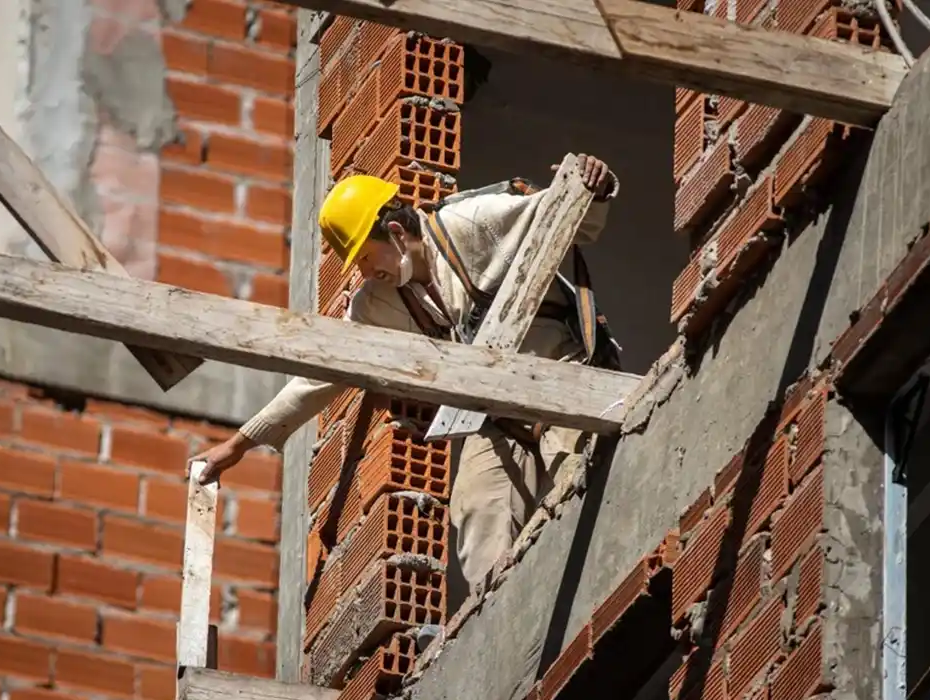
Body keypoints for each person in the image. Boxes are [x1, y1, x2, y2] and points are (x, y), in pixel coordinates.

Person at [188, 155, 620, 591]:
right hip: (500, 421)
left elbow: (573, 219)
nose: (365, 272)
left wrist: (595, 185)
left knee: (575, 482)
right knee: (477, 513)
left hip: (563, 385)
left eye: (365, 256)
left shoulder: (472, 224)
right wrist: (239, 444)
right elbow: (320, 375)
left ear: (395, 232)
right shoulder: (378, 302)